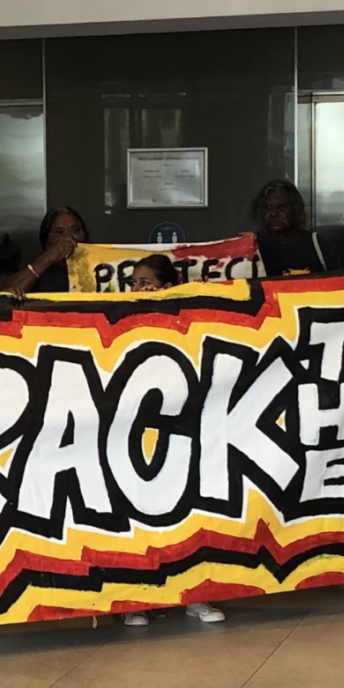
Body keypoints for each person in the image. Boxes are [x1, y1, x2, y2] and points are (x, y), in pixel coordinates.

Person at [120, 253, 223, 626]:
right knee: (139, 514)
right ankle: (137, 599)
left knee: (188, 512)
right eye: (132, 282)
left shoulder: (190, 318)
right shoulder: (119, 318)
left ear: (168, 286)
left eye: (144, 282)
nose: (136, 289)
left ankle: (196, 595)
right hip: (137, 432)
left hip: (183, 432)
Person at [252, 180, 336, 276]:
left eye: (281, 207)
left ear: (295, 209)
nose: (273, 214)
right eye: (268, 207)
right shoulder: (252, 247)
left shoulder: (316, 244)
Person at [2, 208, 88, 295]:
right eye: (59, 232)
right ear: (46, 242)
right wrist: (47, 258)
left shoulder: (98, 268)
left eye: (75, 230)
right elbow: (5, 295)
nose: (68, 237)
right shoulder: (38, 272)